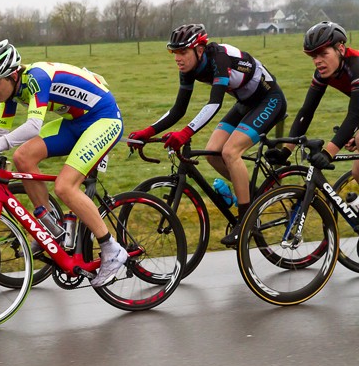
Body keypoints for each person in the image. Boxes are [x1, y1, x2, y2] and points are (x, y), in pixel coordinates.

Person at [0, 39, 127, 287]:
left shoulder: (36, 78)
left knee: (65, 187)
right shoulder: (11, 90)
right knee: (23, 157)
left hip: (103, 120)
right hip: (75, 122)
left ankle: (111, 249)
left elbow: (33, 126)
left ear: (11, 75)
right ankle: (50, 226)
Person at [127, 23, 287, 246]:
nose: (178, 58)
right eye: (175, 53)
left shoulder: (218, 59)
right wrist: (148, 131)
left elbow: (214, 103)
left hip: (270, 100)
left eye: (183, 52)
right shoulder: (188, 69)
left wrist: (185, 133)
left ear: (199, 49)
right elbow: (178, 110)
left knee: (231, 152)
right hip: (245, 101)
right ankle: (250, 196)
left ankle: (245, 221)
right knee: (213, 153)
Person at [265, 21, 359, 181]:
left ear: (341, 49)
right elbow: (306, 111)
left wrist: (328, 153)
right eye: (314, 56)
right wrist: (285, 152)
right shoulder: (323, 73)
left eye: (323, 54)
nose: (318, 61)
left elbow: (354, 114)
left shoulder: (356, 65)